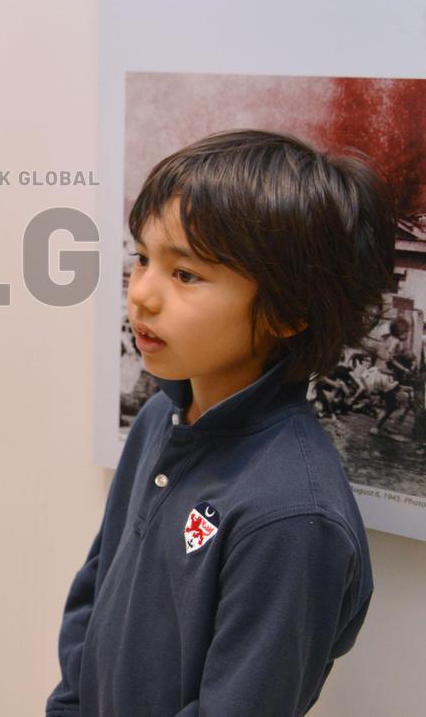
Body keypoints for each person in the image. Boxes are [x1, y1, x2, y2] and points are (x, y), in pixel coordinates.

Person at [48, 130, 395, 717]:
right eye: (142, 259)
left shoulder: (292, 513)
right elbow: (97, 590)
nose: (142, 296)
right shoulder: (161, 416)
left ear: (287, 310)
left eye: (185, 275)